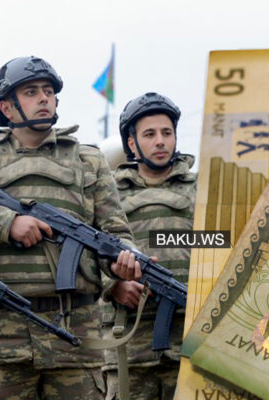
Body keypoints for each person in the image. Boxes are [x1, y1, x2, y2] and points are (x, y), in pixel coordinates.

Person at [0, 56, 141, 400]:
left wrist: (123, 266)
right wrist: (7, 223)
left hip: (75, 336)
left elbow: (116, 233)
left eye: (48, 91)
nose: (44, 98)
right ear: (6, 107)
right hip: (2, 336)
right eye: (31, 92)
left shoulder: (87, 160)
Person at [103, 92, 196, 400]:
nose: (160, 141)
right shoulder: (108, 194)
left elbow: (223, 248)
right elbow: (85, 254)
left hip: (190, 348)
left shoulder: (202, 190)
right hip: (129, 347)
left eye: (167, 133)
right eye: (150, 134)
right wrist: (113, 285)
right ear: (131, 143)